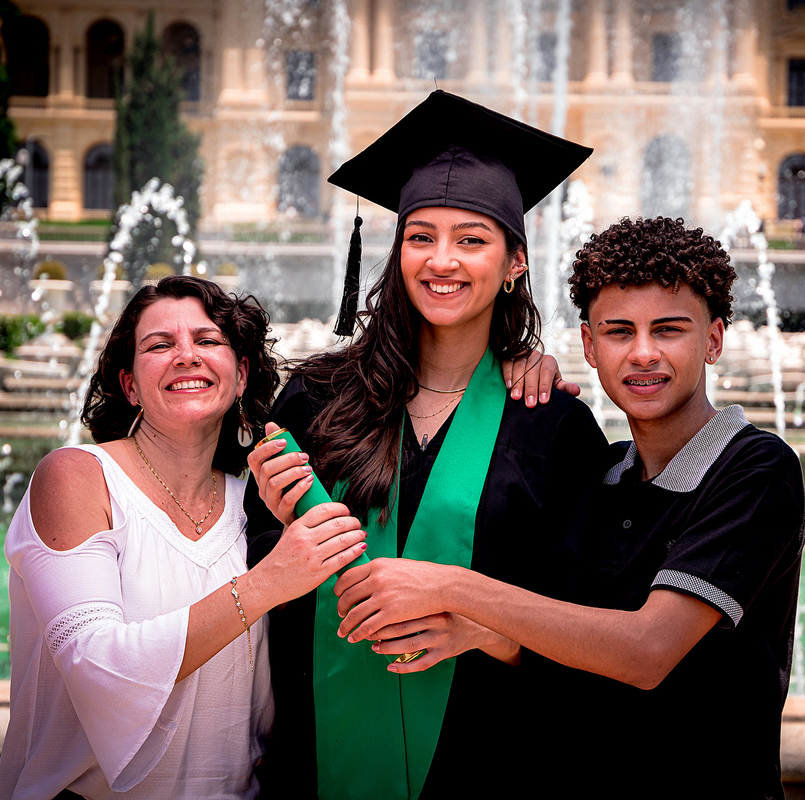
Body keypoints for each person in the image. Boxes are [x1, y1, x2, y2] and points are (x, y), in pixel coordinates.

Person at [335, 217, 805, 799]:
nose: (643, 353)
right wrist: (483, 634)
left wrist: (453, 587)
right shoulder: (599, 475)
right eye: (618, 332)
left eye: (668, 330)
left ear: (713, 340)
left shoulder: (757, 471)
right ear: (589, 345)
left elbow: (646, 651)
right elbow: (568, 644)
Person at [243, 90, 607, 800]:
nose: (442, 260)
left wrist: (490, 632)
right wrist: (283, 539)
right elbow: (254, 574)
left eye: (471, 240)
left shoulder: (551, 426)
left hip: (487, 764)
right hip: (317, 761)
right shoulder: (316, 399)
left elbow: (588, 622)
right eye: (421, 237)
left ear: (515, 262)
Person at [0, 276, 367, 800]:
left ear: (241, 376)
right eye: (159, 345)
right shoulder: (78, 478)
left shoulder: (255, 506)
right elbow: (95, 667)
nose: (186, 356)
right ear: (129, 386)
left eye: (208, 340)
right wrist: (269, 582)